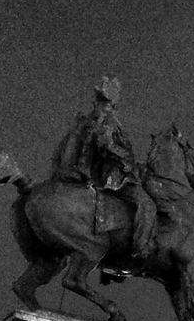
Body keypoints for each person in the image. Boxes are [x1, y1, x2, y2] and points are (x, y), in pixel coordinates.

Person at [53, 77, 161, 259]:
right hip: (114, 177)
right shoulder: (107, 125)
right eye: (109, 104)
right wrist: (123, 156)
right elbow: (115, 151)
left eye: (110, 104)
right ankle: (140, 247)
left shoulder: (91, 122)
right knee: (148, 205)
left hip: (101, 173)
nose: (110, 108)